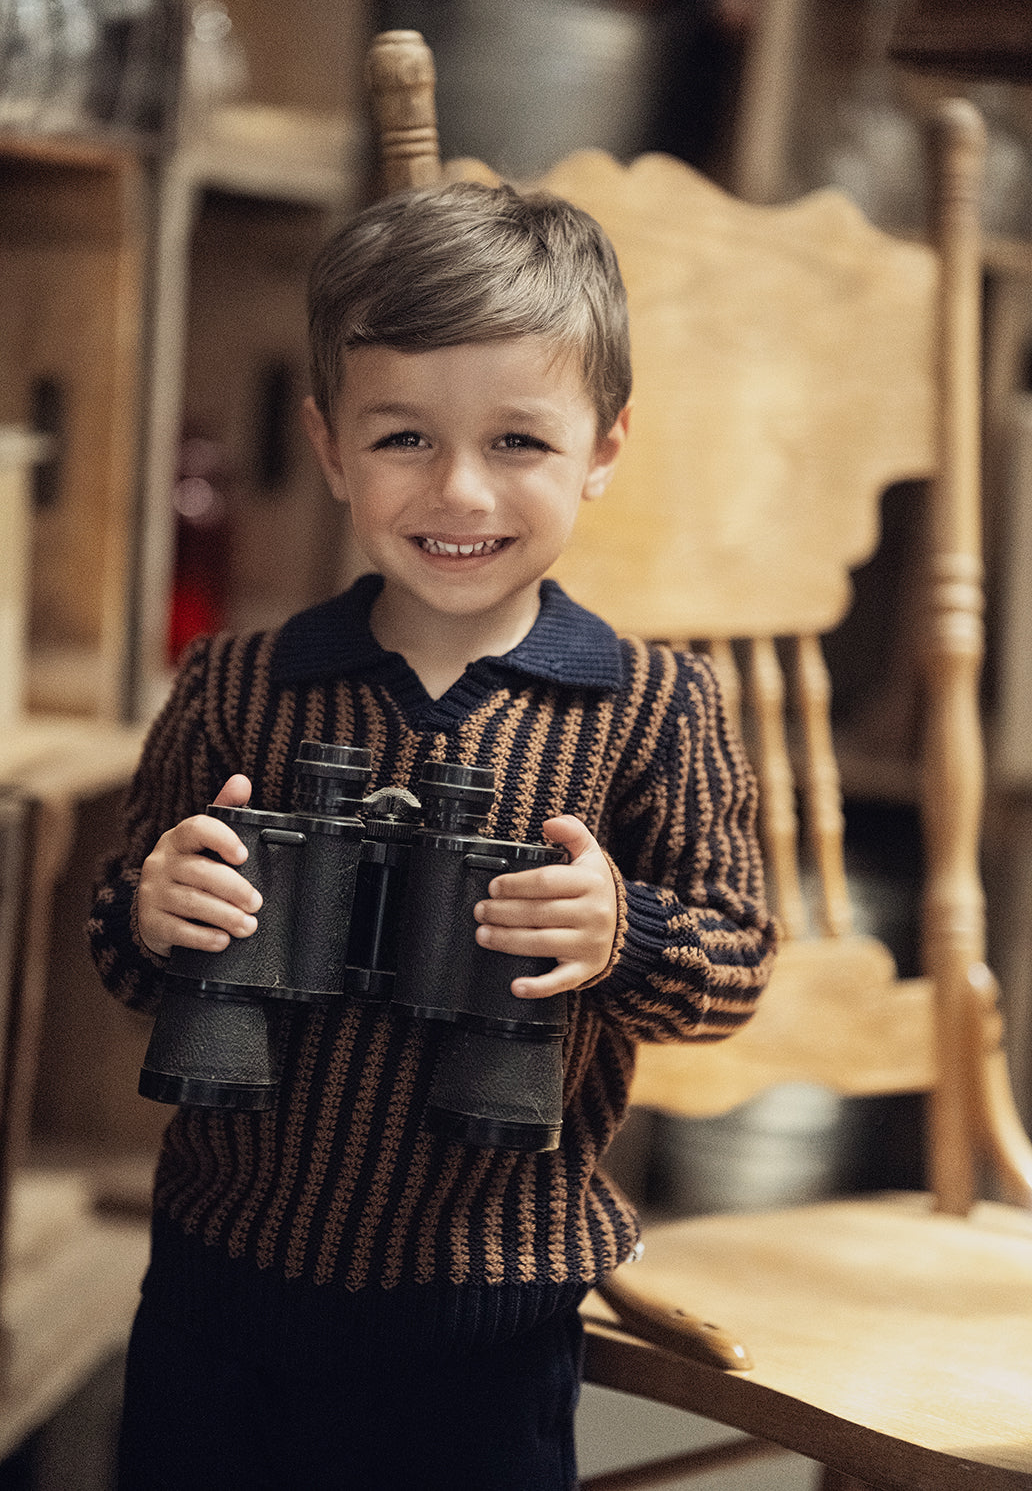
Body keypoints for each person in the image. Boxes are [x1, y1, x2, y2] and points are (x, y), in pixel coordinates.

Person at [90, 180, 777, 1491]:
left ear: (606, 448)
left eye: (520, 441)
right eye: (403, 437)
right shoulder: (236, 685)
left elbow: (735, 964)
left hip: (487, 1308)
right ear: (331, 447)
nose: (459, 489)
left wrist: (617, 932)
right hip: (220, 1283)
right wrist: (152, 912)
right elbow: (121, 957)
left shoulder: (655, 709)